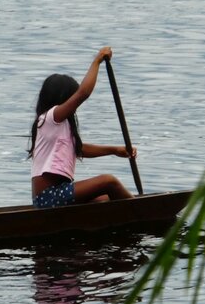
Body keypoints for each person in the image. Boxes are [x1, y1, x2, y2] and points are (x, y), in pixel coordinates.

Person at [28, 46, 135, 208]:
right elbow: (83, 93)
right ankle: (141, 208)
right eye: (71, 98)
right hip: (48, 197)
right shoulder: (50, 117)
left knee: (105, 198)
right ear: (63, 98)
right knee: (109, 181)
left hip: (58, 193)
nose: (74, 106)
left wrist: (115, 150)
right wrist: (97, 60)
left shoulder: (60, 125)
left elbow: (79, 149)